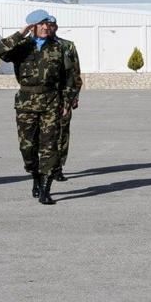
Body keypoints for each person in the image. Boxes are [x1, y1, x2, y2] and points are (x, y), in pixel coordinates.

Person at [0, 10, 82, 204]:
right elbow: (0, 51)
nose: (45, 27)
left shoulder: (58, 48)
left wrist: (67, 102)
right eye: (41, 24)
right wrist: (21, 32)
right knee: (27, 147)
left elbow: (68, 78)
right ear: (32, 26)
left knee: (49, 146)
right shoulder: (22, 47)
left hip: (51, 102)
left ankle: (45, 188)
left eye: (47, 24)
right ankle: (35, 176)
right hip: (26, 102)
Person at [48, 21, 82, 182]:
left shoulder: (67, 46)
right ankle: (45, 167)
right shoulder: (36, 46)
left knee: (62, 132)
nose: (49, 28)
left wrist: (74, 96)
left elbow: (75, 74)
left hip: (63, 97)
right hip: (43, 98)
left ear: (56, 27)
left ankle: (58, 167)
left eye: (52, 25)